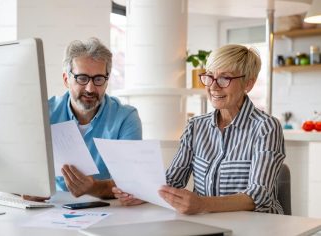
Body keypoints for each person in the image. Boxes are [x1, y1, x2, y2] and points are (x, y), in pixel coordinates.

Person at [113, 44, 286, 214]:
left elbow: (259, 195)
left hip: (257, 227)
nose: (213, 86)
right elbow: (174, 179)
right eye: (209, 76)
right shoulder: (196, 126)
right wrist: (143, 194)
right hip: (207, 224)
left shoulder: (266, 127)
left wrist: (203, 204)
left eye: (225, 78)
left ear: (248, 84)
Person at [47, 37, 142, 199]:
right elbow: (23, 170)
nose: (90, 88)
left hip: (109, 209)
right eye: (82, 78)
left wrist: (95, 188)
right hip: (52, 206)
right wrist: (28, 191)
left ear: (106, 81)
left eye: (98, 79)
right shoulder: (45, 113)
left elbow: (133, 181)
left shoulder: (126, 118)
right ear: (66, 80)